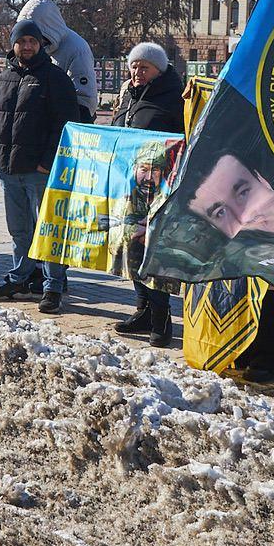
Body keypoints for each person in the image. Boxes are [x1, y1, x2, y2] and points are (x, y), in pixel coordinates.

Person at [0, 18, 77, 313]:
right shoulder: (3, 78)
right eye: (22, 41)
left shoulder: (55, 77)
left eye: (32, 42)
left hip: (39, 171)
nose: (27, 46)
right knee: (19, 230)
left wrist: (46, 162)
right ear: (13, 44)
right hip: (8, 169)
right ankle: (20, 277)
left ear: (40, 45)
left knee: (48, 229)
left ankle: (53, 285)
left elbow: (65, 124)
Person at [109, 42, 184, 346]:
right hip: (129, 188)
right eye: (134, 67)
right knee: (131, 248)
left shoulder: (172, 98)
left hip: (159, 190)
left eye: (144, 67)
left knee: (154, 251)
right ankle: (143, 310)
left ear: (159, 69)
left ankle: (161, 318)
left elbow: (181, 140)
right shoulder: (129, 95)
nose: (137, 72)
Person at [18, 0, 98, 122]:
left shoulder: (77, 49)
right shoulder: (36, 48)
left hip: (61, 124)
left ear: (46, 28)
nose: (28, 43)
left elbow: (84, 100)